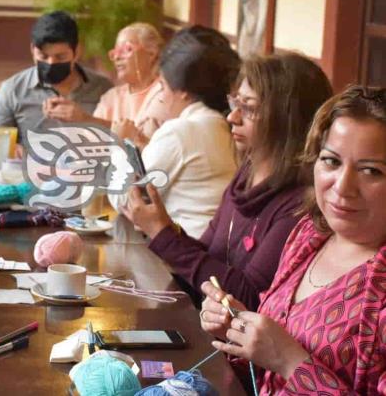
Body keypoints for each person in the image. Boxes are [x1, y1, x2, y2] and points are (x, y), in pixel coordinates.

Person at [199, 85, 386, 394]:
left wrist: (290, 361)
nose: (343, 186)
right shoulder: (309, 235)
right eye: (331, 161)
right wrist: (238, 331)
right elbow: (266, 378)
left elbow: (284, 361)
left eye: (371, 171)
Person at [125, 53, 333, 309]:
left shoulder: (300, 202)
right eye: (235, 103)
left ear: (286, 118)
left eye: (248, 108)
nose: (232, 117)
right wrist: (165, 228)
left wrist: (161, 233)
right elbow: (208, 256)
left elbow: (247, 295)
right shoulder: (247, 174)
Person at [113, 26, 240, 239]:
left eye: (162, 87)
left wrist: (119, 145)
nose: (161, 97)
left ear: (182, 92)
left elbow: (127, 201)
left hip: (184, 255)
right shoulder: (219, 124)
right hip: (206, 247)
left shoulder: (181, 131)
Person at [0, 10, 113, 143]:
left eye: (61, 57)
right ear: (32, 50)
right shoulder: (12, 90)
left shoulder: (102, 88)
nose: (51, 63)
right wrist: (11, 149)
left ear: (76, 52)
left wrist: (85, 119)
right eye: (43, 56)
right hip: (30, 162)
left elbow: (123, 136)